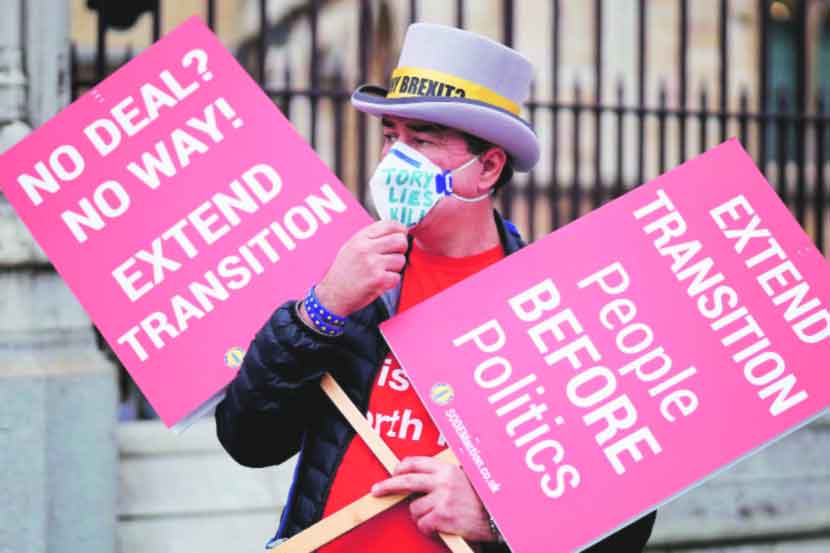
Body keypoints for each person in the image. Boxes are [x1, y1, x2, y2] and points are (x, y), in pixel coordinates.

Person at [215, 23, 656, 552]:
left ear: (487, 167)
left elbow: (626, 515)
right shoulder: (351, 274)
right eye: (390, 137)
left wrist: (497, 517)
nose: (394, 160)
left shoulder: (554, 303)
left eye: (421, 140)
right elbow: (250, 442)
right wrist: (321, 310)